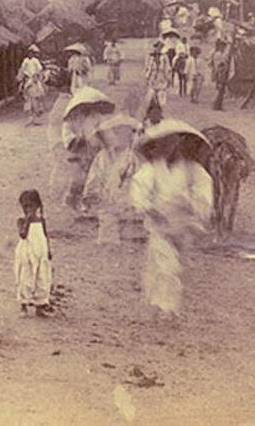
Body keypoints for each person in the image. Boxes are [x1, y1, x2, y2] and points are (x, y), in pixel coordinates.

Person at [129, 121, 213, 316]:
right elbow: (139, 190)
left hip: (183, 227)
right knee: (166, 265)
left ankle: (159, 302)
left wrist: (190, 204)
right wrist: (148, 208)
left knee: (173, 266)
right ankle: (166, 308)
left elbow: (204, 197)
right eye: (163, 143)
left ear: (181, 144)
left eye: (172, 142)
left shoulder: (193, 170)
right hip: (160, 226)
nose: (168, 147)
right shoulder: (152, 168)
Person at [82, 115, 140, 245]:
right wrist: (90, 195)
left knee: (128, 230)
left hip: (128, 199)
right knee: (107, 228)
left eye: (125, 133)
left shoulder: (133, 157)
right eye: (116, 133)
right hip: (107, 199)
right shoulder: (102, 156)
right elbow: (94, 176)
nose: (120, 137)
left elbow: (139, 178)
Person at [14, 190, 52, 317]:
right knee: (26, 277)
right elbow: (23, 235)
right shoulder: (21, 221)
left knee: (42, 277)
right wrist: (27, 222)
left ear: (38, 206)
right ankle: (23, 305)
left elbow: (45, 236)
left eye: (31, 206)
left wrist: (48, 250)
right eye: (25, 207)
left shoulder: (42, 221)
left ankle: (40, 305)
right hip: (27, 253)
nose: (28, 209)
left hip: (41, 252)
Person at [15, 47, 45, 124]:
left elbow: (39, 70)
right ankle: (31, 117)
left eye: (31, 53)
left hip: (34, 80)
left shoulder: (35, 61)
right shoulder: (25, 61)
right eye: (29, 53)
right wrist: (21, 77)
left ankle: (37, 117)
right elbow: (22, 70)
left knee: (38, 97)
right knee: (28, 98)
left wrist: (37, 77)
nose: (30, 55)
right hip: (28, 80)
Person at [144, 41, 172, 109]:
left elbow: (167, 69)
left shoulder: (164, 58)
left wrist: (168, 79)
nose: (158, 49)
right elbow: (147, 68)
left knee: (161, 97)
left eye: (161, 47)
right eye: (157, 47)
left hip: (161, 77)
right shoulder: (150, 57)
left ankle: (159, 110)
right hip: (152, 78)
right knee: (150, 96)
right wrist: (146, 78)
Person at [209, 39, 235, 111]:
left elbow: (230, 65)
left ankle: (219, 105)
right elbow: (216, 65)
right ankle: (216, 105)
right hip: (219, 73)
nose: (222, 47)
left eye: (224, 46)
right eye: (221, 46)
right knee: (219, 89)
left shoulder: (227, 55)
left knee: (222, 90)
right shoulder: (217, 54)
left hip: (225, 73)